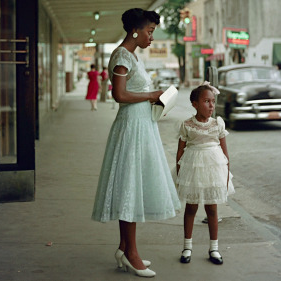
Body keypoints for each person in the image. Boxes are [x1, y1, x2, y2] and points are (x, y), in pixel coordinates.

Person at [91, 8, 180, 278]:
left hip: (142, 125)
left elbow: (132, 91)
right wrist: (152, 94)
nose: (152, 37)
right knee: (130, 186)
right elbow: (118, 95)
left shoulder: (132, 56)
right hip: (131, 127)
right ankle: (131, 253)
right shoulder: (121, 56)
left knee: (134, 186)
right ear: (135, 31)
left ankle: (124, 247)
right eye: (150, 31)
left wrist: (155, 98)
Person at [174, 82, 235, 266]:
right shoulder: (187, 125)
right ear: (195, 104)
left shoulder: (217, 124)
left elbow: (225, 155)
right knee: (191, 208)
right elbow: (180, 152)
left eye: (213, 101)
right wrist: (179, 176)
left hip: (213, 169)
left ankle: (214, 248)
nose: (211, 106)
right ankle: (187, 246)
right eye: (206, 101)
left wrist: (225, 176)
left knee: (212, 209)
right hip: (193, 169)